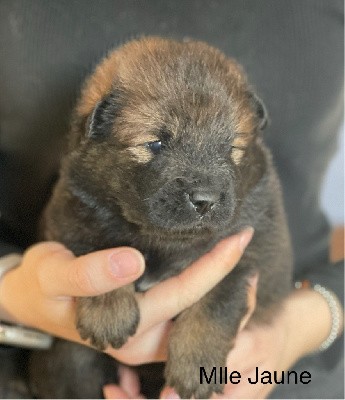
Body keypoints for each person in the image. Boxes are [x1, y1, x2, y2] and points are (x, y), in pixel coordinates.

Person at [0, 0, 343, 398]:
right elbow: (68, 237)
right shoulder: (83, 192)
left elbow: (252, 267)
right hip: (28, 338)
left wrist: (299, 328)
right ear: (96, 128)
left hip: (283, 359)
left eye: (229, 148)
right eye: (157, 144)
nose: (205, 189)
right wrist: (12, 289)